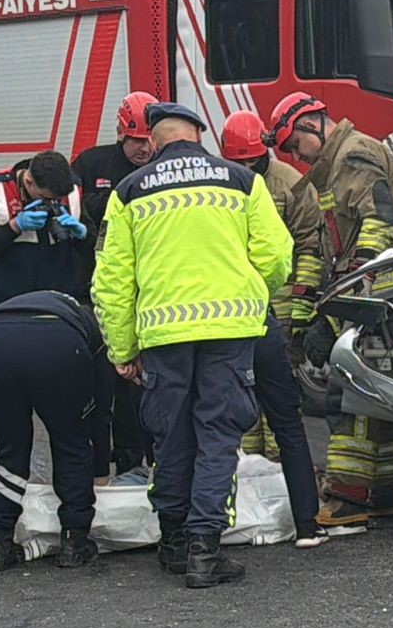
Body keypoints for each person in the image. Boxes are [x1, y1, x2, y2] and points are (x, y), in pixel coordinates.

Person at [92, 103, 293, 588]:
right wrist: (247, 291)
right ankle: (206, 549)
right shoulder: (242, 181)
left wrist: (122, 349)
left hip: (164, 337)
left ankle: (174, 542)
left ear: (155, 142)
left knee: (171, 437)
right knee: (218, 436)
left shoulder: (129, 191)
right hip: (230, 333)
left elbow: (111, 281)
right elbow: (277, 257)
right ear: (199, 136)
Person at [265, 92, 393, 527]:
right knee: (377, 392)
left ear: (314, 123)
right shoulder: (331, 171)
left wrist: (346, 301)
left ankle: (348, 494)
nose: (294, 155)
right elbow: (322, 245)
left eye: (295, 144)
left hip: (383, 291)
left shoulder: (353, 155)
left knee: (348, 391)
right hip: (373, 292)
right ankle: (391, 491)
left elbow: (380, 223)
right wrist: (305, 313)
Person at [219, 111, 327, 548]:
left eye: (252, 163)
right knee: (248, 416)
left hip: (269, 309)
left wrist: (299, 304)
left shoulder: (290, 183)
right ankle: (261, 499)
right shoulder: (228, 181)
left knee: (280, 415)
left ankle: (290, 507)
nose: (246, 172)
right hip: (246, 309)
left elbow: (307, 244)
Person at [0, 290, 106, 571]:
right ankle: (74, 542)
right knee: (71, 441)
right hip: (55, 346)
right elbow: (99, 414)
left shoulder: (25, 302)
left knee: (11, 446)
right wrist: (100, 468)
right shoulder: (93, 329)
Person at [71, 93, 159, 479]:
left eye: (148, 140)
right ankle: (98, 466)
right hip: (99, 293)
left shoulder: (162, 169)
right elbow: (69, 203)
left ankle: (136, 462)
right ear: (122, 132)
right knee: (98, 387)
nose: (143, 148)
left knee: (137, 390)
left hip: (148, 293)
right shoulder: (92, 163)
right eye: (136, 140)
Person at [0, 150, 87, 308]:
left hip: (58, 300)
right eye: (46, 199)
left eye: (58, 199)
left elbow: (92, 246)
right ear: (29, 182)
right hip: (5, 301)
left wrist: (83, 234)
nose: (53, 203)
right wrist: (14, 226)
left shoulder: (72, 188)